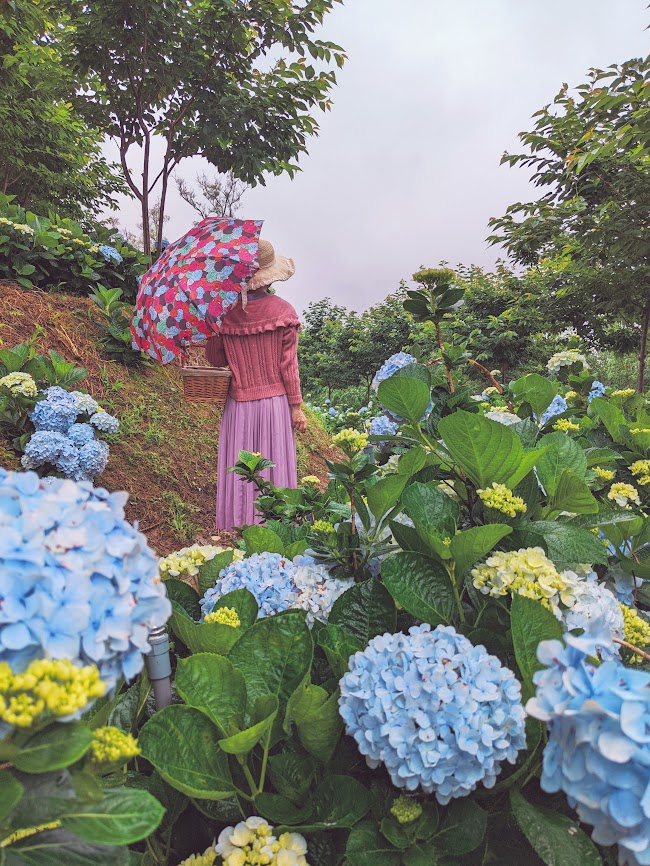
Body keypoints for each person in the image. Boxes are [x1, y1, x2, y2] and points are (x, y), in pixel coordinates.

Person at [206, 239, 307, 532]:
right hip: (275, 405)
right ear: (270, 276)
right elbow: (289, 366)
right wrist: (296, 407)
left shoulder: (224, 314)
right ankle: (276, 528)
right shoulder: (284, 312)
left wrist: (213, 329)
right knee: (275, 464)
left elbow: (215, 360)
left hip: (238, 407)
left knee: (241, 470)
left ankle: (238, 527)